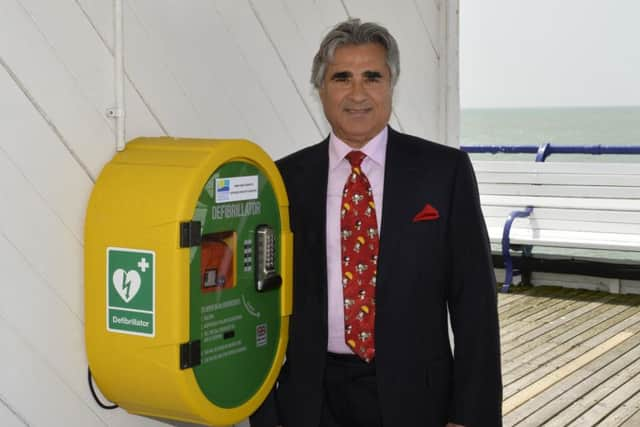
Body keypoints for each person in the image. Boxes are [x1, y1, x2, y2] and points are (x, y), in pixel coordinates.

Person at [251, 18, 502, 427]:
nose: (357, 94)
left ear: (391, 85)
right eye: (341, 78)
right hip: (310, 401)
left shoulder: (444, 172)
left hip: (417, 400)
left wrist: (470, 415)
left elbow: (475, 305)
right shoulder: (282, 180)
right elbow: (257, 304)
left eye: (372, 77)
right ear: (321, 89)